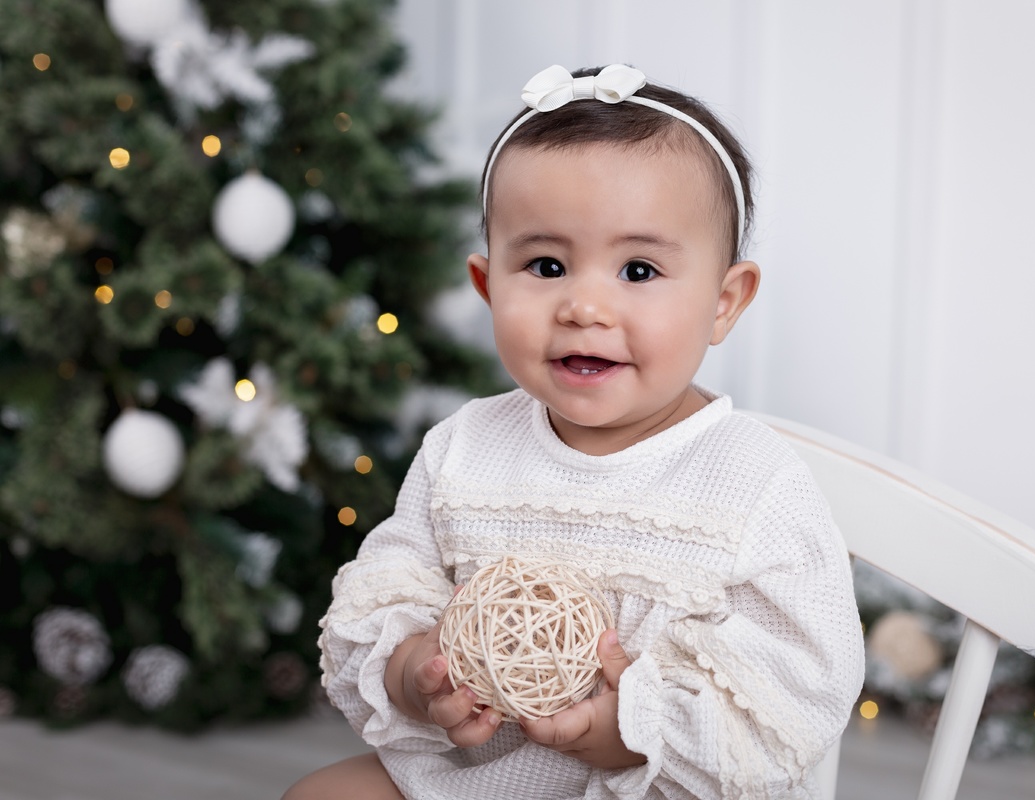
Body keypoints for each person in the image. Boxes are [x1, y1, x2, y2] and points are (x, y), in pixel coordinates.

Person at [284, 63, 864, 800]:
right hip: (479, 774)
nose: (585, 306)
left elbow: (795, 695)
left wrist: (625, 730)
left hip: (655, 785)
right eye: (547, 265)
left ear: (724, 302)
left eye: (639, 270)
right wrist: (413, 673)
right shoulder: (466, 446)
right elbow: (385, 591)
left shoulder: (752, 480)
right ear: (489, 285)